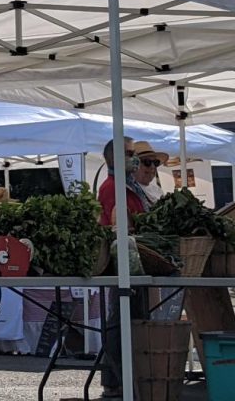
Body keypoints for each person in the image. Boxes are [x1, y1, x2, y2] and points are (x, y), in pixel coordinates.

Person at [95, 136, 154, 398]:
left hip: (135, 262)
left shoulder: (130, 186)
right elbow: (117, 224)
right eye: (130, 154)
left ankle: (125, 380)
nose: (135, 158)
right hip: (123, 263)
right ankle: (116, 381)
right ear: (114, 158)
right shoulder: (112, 187)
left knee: (131, 320)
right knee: (120, 321)